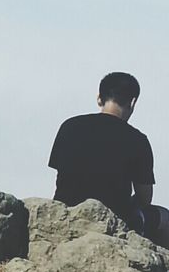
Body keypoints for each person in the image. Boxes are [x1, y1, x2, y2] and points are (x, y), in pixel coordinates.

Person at [49, 72, 156, 235]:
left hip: (65, 212)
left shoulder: (70, 126)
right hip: (114, 219)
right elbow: (144, 198)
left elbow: (62, 175)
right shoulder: (138, 141)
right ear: (133, 102)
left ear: (99, 98)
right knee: (163, 218)